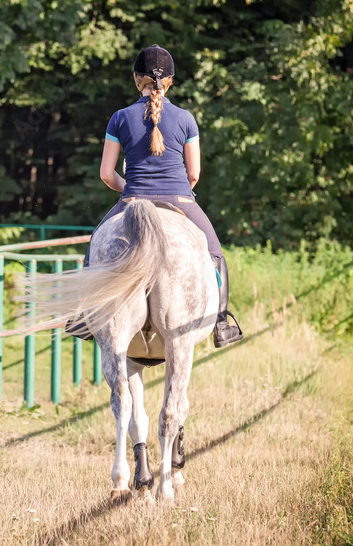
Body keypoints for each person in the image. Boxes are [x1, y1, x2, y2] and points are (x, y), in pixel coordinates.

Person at [76, 44, 243, 348]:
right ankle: (221, 322)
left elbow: (106, 174)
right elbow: (194, 175)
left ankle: (84, 317)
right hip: (180, 200)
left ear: (136, 78)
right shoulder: (186, 119)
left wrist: (130, 186)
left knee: (96, 244)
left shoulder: (119, 118)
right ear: (170, 81)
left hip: (132, 200)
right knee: (216, 253)